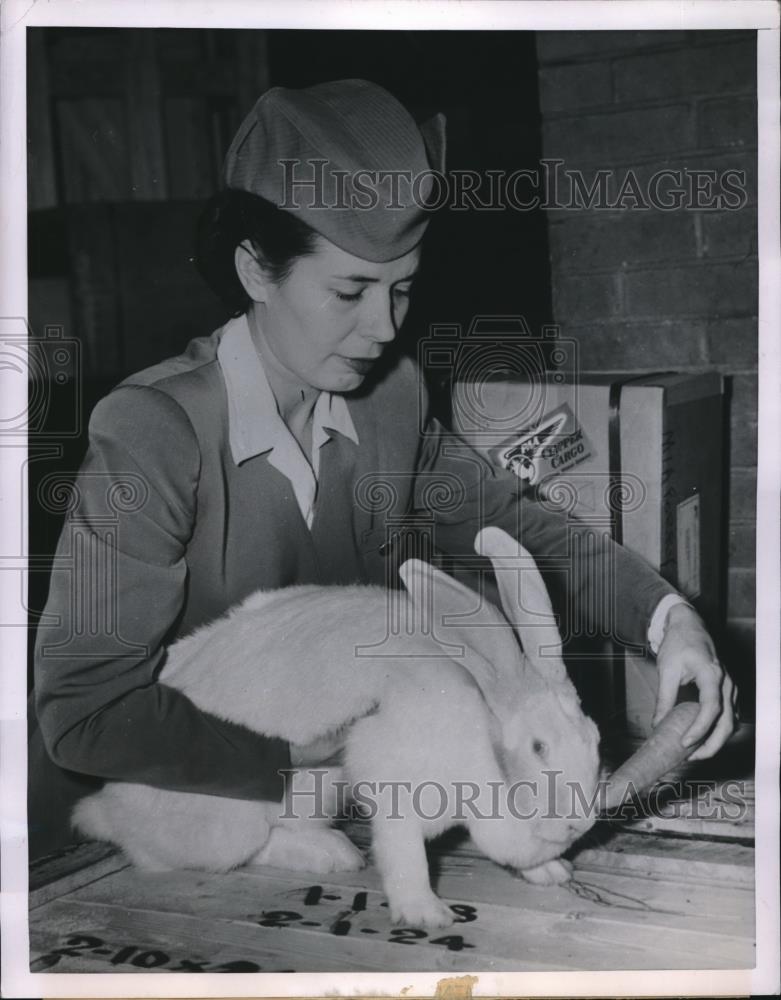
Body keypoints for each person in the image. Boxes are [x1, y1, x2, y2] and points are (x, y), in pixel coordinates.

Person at [29, 79, 737, 861]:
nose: (385, 326)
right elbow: (84, 715)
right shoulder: (154, 433)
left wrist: (671, 621)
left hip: (320, 826)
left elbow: (521, 530)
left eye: (402, 289)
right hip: (146, 829)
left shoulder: (387, 400)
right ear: (257, 271)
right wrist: (303, 762)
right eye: (348, 291)